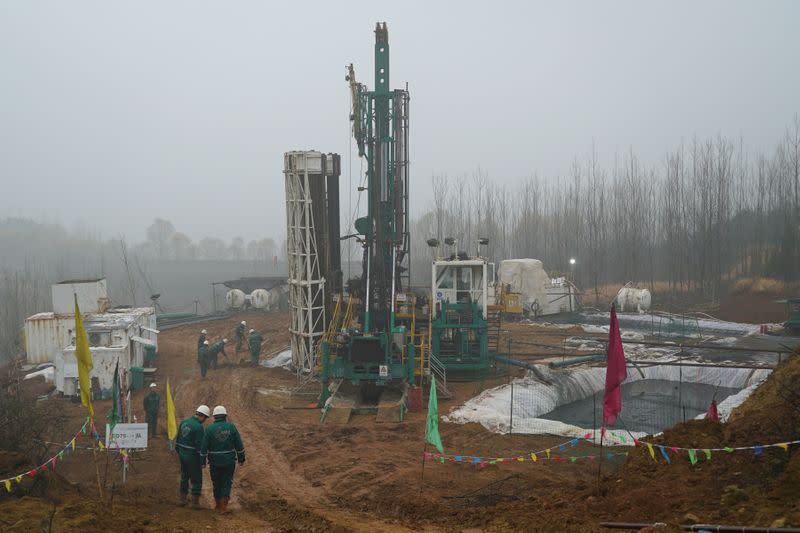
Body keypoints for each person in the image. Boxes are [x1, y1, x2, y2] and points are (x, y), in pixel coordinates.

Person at [200, 405, 245, 513]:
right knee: (226, 482)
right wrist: (241, 458)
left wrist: (202, 461)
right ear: (225, 416)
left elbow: (203, 447)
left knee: (216, 482)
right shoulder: (232, 427)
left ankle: (218, 505)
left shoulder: (209, 429)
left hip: (214, 462)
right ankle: (224, 506)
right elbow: (239, 444)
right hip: (229, 461)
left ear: (214, 416)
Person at [176, 405, 211, 508]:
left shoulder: (184, 422)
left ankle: (182, 499)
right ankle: (195, 502)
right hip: (192, 456)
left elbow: (178, 439)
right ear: (203, 416)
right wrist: (202, 461)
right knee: (196, 478)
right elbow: (199, 446)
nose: (204, 421)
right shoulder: (198, 427)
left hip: (182, 454)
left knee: (184, 476)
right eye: (205, 418)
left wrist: (180, 452)